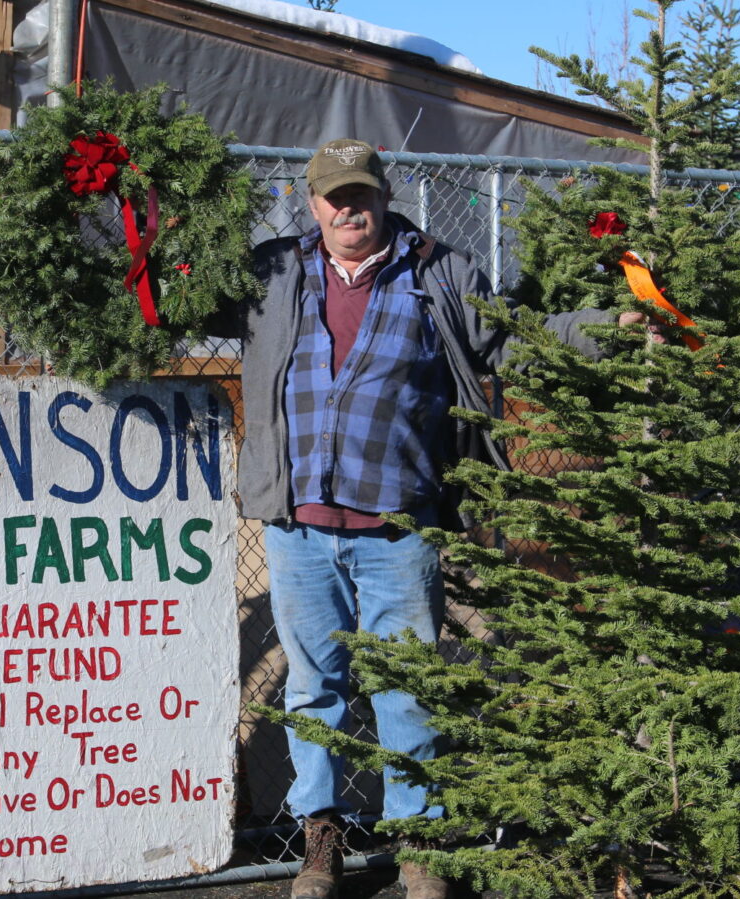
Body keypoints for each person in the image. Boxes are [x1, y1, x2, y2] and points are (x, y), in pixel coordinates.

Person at [220, 139, 635, 899]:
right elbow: (168, 301)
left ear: (384, 196)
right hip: (298, 524)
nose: (350, 208)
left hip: (398, 528)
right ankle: (321, 843)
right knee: (315, 688)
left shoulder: (440, 271)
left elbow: (515, 335)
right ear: (311, 204)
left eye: (362, 194)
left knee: (407, 688)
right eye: (335, 196)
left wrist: (616, 325)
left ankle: (422, 843)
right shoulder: (273, 272)